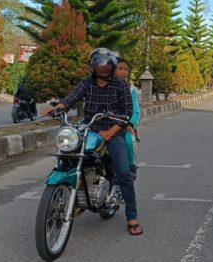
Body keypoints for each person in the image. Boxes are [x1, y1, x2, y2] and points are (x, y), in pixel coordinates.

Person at [42, 48, 143, 236]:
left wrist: (111, 131)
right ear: (93, 66)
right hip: (89, 128)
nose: (103, 68)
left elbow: (127, 112)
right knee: (69, 156)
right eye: (99, 64)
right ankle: (77, 198)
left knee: (123, 173)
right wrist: (60, 107)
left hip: (114, 131)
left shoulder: (120, 86)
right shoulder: (87, 83)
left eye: (107, 65)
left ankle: (132, 216)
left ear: (112, 67)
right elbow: (72, 97)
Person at [116, 57, 141, 179]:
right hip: (103, 124)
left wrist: (130, 124)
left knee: (129, 139)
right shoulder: (103, 86)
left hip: (123, 124)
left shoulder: (130, 89)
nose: (124, 72)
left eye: (126, 69)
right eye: (120, 69)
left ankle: (131, 167)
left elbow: (135, 112)